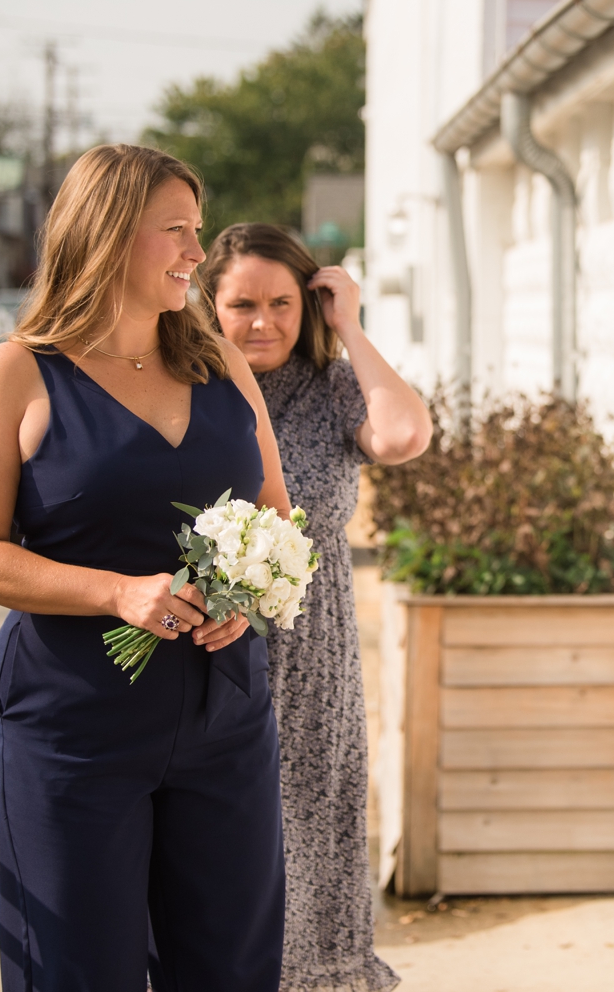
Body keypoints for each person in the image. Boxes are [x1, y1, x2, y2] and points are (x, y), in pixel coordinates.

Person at [0, 144, 290, 990]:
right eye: (174, 231)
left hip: (225, 714)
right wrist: (115, 592)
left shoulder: (221, 364)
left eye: (197, 231)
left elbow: (278, 517)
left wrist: (242, 593)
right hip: (73, 726)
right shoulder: (16, 374)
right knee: (78, 969)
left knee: (231, 968)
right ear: (105, 235)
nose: (196, 254)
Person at [200, 223, 430, 991]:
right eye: (241, 304)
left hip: (312, 657)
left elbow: (401, 433)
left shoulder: (330, 389)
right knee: (212, 849)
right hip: (202, 647)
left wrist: (349, 326)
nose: (262, 321)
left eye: (282, 303)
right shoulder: (188, 386)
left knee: (309, 830)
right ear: (210, 303)